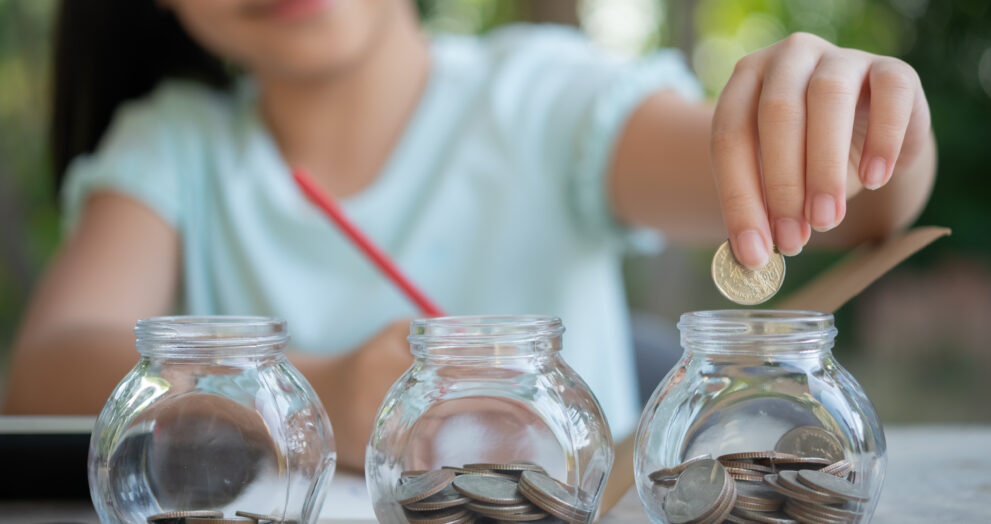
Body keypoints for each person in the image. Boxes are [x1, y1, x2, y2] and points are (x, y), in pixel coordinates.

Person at [2, 0, 935, 471]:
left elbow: (860, 207)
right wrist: (313, 396)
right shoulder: (175, 145)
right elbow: (41, 370)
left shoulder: (546, 99)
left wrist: (857, 125)